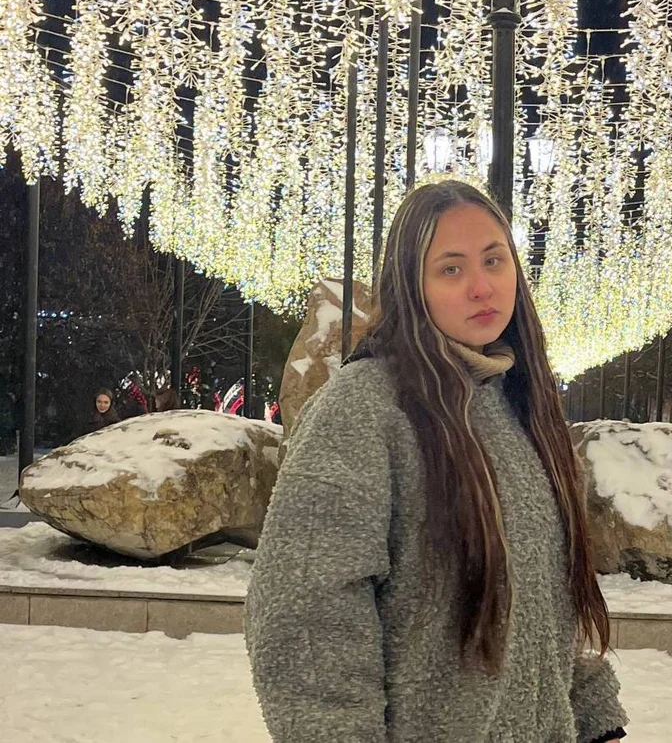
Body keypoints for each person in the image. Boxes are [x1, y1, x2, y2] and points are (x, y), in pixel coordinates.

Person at [246, 180, 627, 743]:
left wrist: (594, 720)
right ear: (410, 286)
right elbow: (305, 610)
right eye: (451, 269)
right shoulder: (364, 408)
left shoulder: (520, 405)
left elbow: (546, 600)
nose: (482, 286)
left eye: (494, 260)